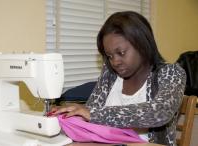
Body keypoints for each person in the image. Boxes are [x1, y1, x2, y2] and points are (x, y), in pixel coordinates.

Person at [51, 11, 186, 146]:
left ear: (142, 44)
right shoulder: (110, 75)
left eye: (121, 53)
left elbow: (159, 112)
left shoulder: (172, 73)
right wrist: (73, 115)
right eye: (109, 56)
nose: (115, 62)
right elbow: (91, 111)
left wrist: (92, 113)